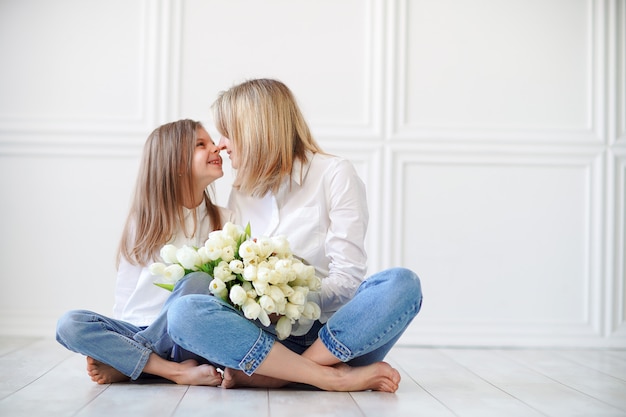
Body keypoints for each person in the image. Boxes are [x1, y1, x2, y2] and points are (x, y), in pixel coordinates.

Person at [164, 79, 423, 392]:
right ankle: (329, 377)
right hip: (262, 339)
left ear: (255, 130)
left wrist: (288, 303)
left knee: (401, 284)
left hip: (331, 337)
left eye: (228, 132)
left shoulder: (334, 174)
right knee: (183, 312)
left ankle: (284, 374)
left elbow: (348, 280)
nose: (221, 145)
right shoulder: (241, 190)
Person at [56, 119, 234, 385]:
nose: (216, 148)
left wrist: (121, 353)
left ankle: (134, 363)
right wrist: (118, 339)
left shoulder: (226, 219)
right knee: (68, 324)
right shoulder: (145, 221)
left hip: (188, 333)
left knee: (198, 280)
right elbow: (125, 294)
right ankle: (172, 370)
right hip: (140, 325)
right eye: (201, 144)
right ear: (175, 163)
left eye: (212, 143)